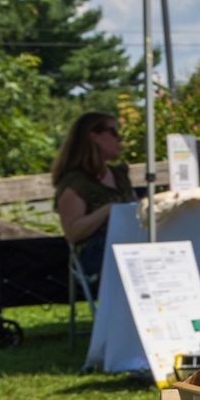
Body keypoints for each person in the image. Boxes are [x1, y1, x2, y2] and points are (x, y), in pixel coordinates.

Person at [52, 110, 135, 289]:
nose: (119, 139)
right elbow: (73, 233)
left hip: (128, 244)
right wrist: (108, 210)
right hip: (94, 254)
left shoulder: (120, 175)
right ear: (94, 136)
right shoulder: (75, 182)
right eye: (113, 132)